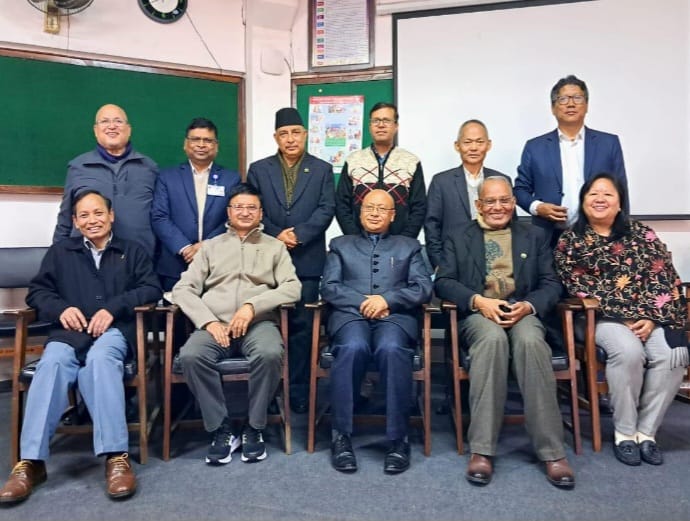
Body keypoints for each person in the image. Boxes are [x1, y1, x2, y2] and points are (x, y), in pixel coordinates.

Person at [0, 190, 162, 505]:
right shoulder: (61, 252)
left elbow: (150, 288)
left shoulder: (132, 250)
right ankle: (30, 462)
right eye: (84, 215)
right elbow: (38, 293)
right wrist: (61, 309)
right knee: (52, 363)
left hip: (113, 332)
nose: (92, 220)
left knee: (101, 362)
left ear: (111, 215)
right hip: (70, 333)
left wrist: (113, 308)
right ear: (75, 221)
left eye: (98, 213)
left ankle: (116, 457)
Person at [435, 176, 575, 489]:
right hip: (480, 313)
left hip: (522, 310)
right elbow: (443, 281)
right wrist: (478, 301)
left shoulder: (534, 235)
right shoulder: (458, 235)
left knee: (531, 342)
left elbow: (551, 283)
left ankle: (552, 452)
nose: (497, 207)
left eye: (504, 200)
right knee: (492, 341)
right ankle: (482, 450)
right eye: (490, 201)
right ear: (478, 205)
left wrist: (529, 305)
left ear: (513, 203)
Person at [554, 173, 689, 467]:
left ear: (619, 202)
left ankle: (646, 432)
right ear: (583, 201)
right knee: (628, 352)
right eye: (593, 194)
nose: (600, 199)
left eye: (608, 194)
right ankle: (625, 433)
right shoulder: (571, 241)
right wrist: (625, 315)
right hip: (600, 317)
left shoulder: (643, 234)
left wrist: (650, 317)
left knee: (674, 354)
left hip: (650, 316)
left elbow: (664, 277)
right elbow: (576, 285)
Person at [172, 183, 301, 465]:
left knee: (269, 353)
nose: (245, 212)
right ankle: (221, 428)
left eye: (251, 207)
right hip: (215, 324)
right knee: (191, 356)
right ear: (229, 212)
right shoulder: (211, 247)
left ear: (261, 213)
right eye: (238, 207)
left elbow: (293, 288)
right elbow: (183, 290)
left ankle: (254, 427)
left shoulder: (275, 247)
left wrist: (252, 306)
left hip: (258, 324)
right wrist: (207, 321)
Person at [321, 190, 433, 475]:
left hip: (393, 317)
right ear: (360, 213)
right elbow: (330, 287)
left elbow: (423, 287)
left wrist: (387, 300)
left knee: (392, 349)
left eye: (382, 209)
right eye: (369, 207)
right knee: (352, 347)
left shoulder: (409, 246)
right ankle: (341, 435)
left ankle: (398, 439)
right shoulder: (340, 245)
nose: (374, 213)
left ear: (392, 215)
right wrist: (364, 303)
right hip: (350, 316)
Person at [246, 107, 335, 414]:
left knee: (302, 329)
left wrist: (299, 234)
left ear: (305, 135)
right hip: (267, 259)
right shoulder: (259, 169)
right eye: (284, 134)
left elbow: (326, 209)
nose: (290, 139)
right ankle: (268, 392)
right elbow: (252, 208)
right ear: (276, 137)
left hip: (307, 260)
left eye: (296, 132)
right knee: (265, 325)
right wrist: (276, 233)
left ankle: (298, 390)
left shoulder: (322, 169)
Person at [514, 75, 627, 244]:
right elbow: (520, 190)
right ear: (553, 108)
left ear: (586, 105)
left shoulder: (608, 143)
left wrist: (622, 234)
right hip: (549, 236)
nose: (571, 104)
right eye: (563, 99)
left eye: (577, 98)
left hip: (600, 236)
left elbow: (621, 190)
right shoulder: (535, 147)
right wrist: (538, 207)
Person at [53, 104, 158, 259]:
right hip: (87, 260)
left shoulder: (149, 167)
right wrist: (56, 257)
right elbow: (65, 217)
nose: (112, 126)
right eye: (105, 121)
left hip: (138, 259)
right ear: (96, 130)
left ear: (129, 129)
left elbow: (159, 217)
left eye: (118, 121)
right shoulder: (78, 167)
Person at [151, 117, 240, 291]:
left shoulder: (231, 178)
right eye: (195, 139)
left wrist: (206, 245)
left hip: (218, 264)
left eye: (207, 140)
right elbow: (159, 217)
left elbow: (232, 219)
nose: (201, 145)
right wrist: (184, 247)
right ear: (186, 144)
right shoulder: (167, 177)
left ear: (216, 146)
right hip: (175, 264)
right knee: (174, 308)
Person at [424, 119, 511, 271]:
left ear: (488, 145)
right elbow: (432, 226)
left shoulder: (501, 180)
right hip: (454, 261)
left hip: (496, 260)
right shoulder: (441, 181)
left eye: (479, 142)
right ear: (457, 146)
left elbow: (511, 223)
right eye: (467, 142)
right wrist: (440, 265)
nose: (474, 148)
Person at [335, 102, 426, 238]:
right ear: (370, 126)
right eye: (376, 121)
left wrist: (406, 240)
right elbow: (341, 204)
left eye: (386, 120)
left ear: (396, 126)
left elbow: (419, 206)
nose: (381, 125)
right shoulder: (353, 160)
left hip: (400, 241)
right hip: (359, 241)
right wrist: (354, 238)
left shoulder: (411, 161)